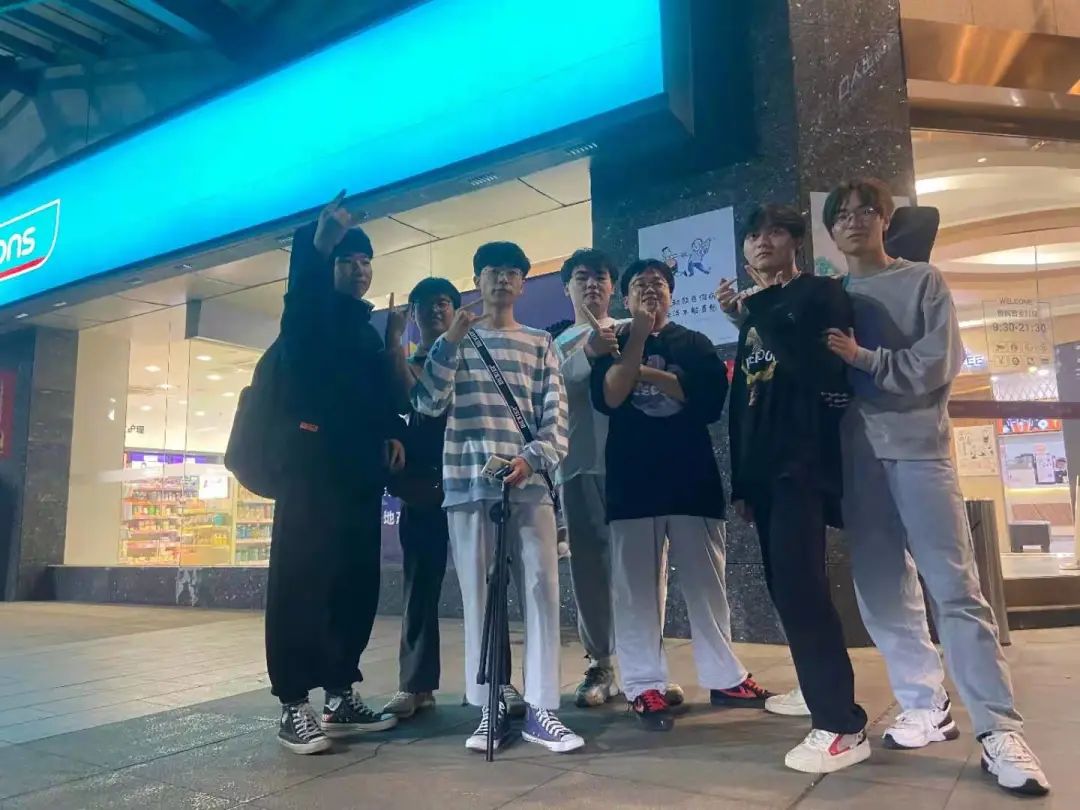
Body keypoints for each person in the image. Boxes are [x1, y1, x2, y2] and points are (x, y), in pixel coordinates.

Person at [824, 178, 1050, 796]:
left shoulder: (923, 281)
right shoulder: (830, 295)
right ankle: (924, 704)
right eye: (842, 215)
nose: (854, 221)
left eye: (866, 211)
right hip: (856, 459)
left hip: (920, 450)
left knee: (954, 590)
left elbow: (937, 364)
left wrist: (865, 359)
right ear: (831, 230)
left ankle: (999, 729)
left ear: (885, 219)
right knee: (880, 592)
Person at [411, 241, 583, 753]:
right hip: (468, 486)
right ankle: (488, 707)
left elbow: (556, 418)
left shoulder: (540, 343)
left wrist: (531, 459)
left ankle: (543, 709)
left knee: (541, 593)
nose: (502, 279)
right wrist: (448, 342)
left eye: (512, 272)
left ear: (523, 284)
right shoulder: (456, 341)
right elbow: (428, 402)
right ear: (477, 281)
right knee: (479, 600)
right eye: (492, 271)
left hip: (530, 486)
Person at [590, 259, 775, 733]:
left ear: (672, 294)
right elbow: (611, 396)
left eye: (658, 283)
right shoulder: (611, 343)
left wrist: (647, 375)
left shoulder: (694, 343)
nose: (650, 289)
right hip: (632, 483)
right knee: (636, 591)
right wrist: (637, 337)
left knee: (707, 585)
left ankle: (725, 677)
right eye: (639, 285)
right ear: (625, 298)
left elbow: (708, 402)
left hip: (692, 479)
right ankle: (643, 685)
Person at [726, 204, 870, 773]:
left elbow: (819, 372)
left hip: (802, 466)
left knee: (804, 590)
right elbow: (746, 400)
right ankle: (818, 694)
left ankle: (841, 724)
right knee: (786, 590)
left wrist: (758, 310)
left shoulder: (820, 294)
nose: (762, 242)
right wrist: (742, 480)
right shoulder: (756, 313)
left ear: (796, 242)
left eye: (775, 232)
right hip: (764, 473)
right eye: (753, 235)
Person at [266, 190, 406, 754]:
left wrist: (391, 430)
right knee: (302, 582)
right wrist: (316, 246)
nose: (360, 270)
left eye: (366, 261)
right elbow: (300, 301)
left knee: (354, 581)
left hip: (357, 475)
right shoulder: (311, 314)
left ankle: (340, 694)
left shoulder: (364, 330)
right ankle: (292, 703)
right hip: (309, 471)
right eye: (348, 260)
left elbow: (372, 396)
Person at [553, 249, 684, 710]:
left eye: (600, 277)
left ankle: (647, 665)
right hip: (577, 466)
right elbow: (549, 394)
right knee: (589, 569)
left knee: (646, 570)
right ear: (566, 288)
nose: (591, 284)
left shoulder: (633, 330)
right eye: (581, 277)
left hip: (635, 465)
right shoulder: (555, 344)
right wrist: (588, 353)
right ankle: (600, 664)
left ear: (614, 288)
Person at [381, 278, 461, 720]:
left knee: (487, 586)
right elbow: (398, 400)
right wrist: (394, 343)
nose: (435, 310)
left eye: (444, 302)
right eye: (425, 304)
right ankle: (415, 685)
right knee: (419, 589)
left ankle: (495, 683)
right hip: (424, 490)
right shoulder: (406, 363)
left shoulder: (472, 363)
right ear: (413, 314)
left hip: (472, 486)